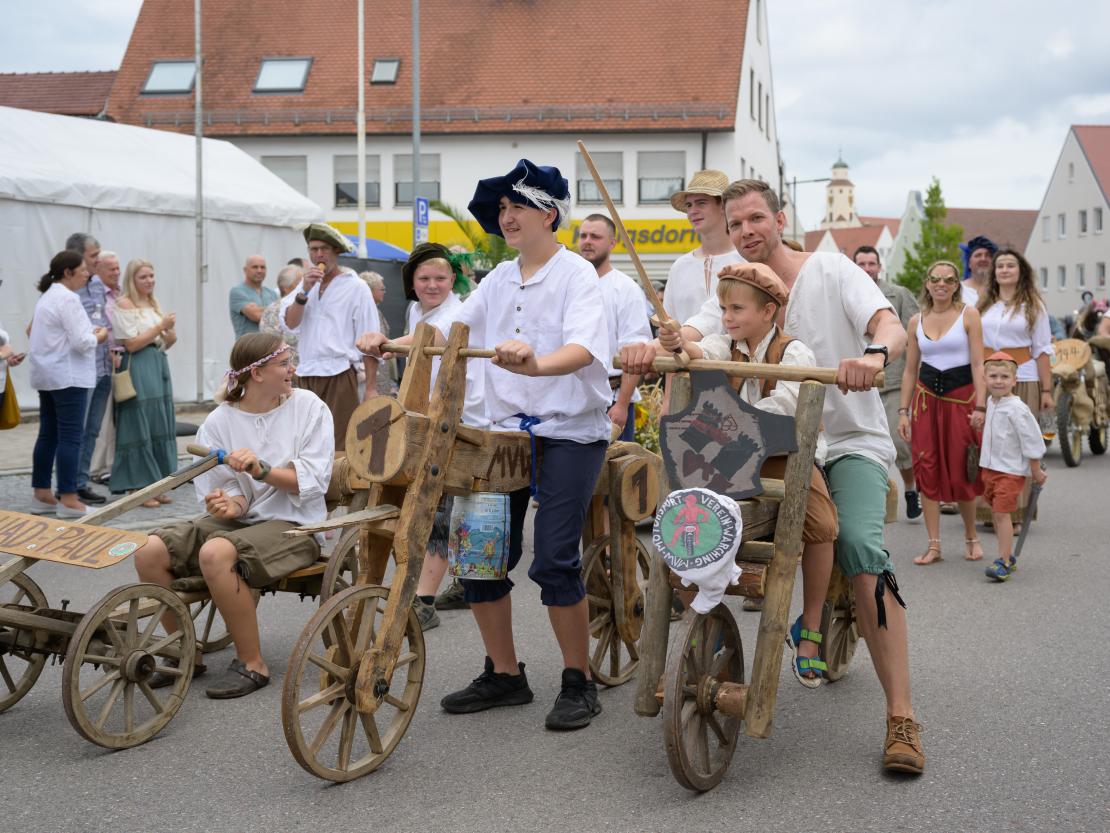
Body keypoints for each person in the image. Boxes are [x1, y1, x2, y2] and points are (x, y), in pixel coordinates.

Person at [622, 178, 924, 774]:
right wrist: (653, 343)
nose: (745, 232)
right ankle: (702, 621)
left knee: (863, 548)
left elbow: (890, 325)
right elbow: (693, 334)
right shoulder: (737, 284)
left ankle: (901, 715)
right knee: (701, 514)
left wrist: (873, 357)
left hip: (848, 438)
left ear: (780, 218)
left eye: (755, 218)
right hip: (769, 448)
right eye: (735, 224)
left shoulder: (832, 271)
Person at [357, 159, 612, 731]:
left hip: (569, 434)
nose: (505, 216)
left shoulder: (577, 276)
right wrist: (391, 344)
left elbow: (586, 348)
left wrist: (538, 363)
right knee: (478, 559)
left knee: (553, 560)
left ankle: (578, 680)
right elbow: (449, 330)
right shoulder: (498, 279)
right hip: (502, 437)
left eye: (514, 206)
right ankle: (505, 674)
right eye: (501, 209)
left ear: (548, 213)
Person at [644, 263, 839, 687]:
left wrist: (730, 421)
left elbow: (788, 410)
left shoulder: (794, 353)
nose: (728, 317)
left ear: (769, 311)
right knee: (681, 520)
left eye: (737, 308)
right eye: (723, 308)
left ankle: (810, 629)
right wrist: (677, 343)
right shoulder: (721, 343)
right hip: (728, 454)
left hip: (785, 454)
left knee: (822, 526)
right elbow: (696, 354)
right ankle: (704, 623)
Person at [134, 333, 333, 698]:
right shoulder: (219, 421)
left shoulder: (308, 407)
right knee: (148, 549)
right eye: (284, 363)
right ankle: (183, 653)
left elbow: (313, 482)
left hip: (296, 525)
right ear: (257, 373)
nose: (293, 370)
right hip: (243, 523)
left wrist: (261, 471)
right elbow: (230, 491)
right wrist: (230, 504)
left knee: (215, 552)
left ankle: (252, 663)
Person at [398, 244, 491, 629]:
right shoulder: (414, 309)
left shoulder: (458, 309)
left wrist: (380, 342)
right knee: (443, 505)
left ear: (453, 280)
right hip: (430, 416)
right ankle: (467, 581)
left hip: (463, 417)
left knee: (441, 508)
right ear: (413, 283)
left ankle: (423, 600)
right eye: (424, 278)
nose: (432, 285)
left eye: (440, 278)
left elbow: (435, 336)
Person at [897, 260, 987, 565]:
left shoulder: (968, 315)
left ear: (956, 285)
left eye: (948, 280)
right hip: (925, 403)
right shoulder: (915, 321)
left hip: (961, 401)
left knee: (963, 468)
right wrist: (902, 411)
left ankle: (971, 536)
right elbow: (910, 370)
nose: (941, 284)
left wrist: (982, 405)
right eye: (935, 279)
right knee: (927, 468)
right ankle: (934, 545)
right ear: (927, 283)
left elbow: (978, 364)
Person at [281, 223, 380, 451]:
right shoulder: (305, 286)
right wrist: (304, 291)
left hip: (340, 373)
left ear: (336, 251)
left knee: (339, 442)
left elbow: (370, 339)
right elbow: (290, 323)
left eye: (324, 249)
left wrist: (372, 387)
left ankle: (339, 486)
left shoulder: (357, 287)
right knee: (304, 440)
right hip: (306, 373)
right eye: (313, 249)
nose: (318, 255)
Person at [976, 248, 1054, 526]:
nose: (1005, 270)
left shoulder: (1033, 306)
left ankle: (1016, 511)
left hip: (1023, 377)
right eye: (1000, 266)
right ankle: (992, 507)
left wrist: (1046, 390)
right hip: (989, 379)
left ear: (1021, 271)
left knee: (1018, 443)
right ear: (994, 273)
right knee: (990, 442)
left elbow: (1043, 349)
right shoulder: (984, 305)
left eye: (1010, 265)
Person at [27, 250, 107, 518]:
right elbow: (81, 341)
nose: (87, 274)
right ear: (68, 272)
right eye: (83, 270)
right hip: (68, 376)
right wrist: (100, 335)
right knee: (71, 438)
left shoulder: (47, 297)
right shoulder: (68, 299)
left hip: (48, 375)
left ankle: (42, 493)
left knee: (48, 434)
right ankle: (69, 499)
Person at [854, 245, 921, 520]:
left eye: (872, 263)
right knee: (862, 443)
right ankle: (872, 497)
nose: (867, 269)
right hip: (858, 382)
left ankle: (910, 488)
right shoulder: (846, 294)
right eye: (862, 264)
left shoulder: (899, 295)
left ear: (879, 266)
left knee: (898, 441)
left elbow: (915, 335)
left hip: (893, 379)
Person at [577, 213, 652, 442]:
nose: (587, 241)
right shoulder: (572, 285)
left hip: (612, 400)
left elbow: (635, 350)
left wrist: (621, 404)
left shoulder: (626, 289)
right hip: (573, 400)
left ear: (612, 243)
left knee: (615, 474)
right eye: (583, 236)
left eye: (595, 236)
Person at [110, 259, 178, 506]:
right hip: (138, 365)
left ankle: (156, 484)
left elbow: (165, 341)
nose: (149, 281)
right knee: (138, 421)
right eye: (143, 277)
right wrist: (161, 326)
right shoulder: (124, 304)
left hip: (157, 363)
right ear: (132, 279)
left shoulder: (152, 303)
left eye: (151, 276)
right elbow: (131, 343)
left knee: (158, 422)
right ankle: (137, 488)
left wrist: (169, 333)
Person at [978, 352, 1047, 581]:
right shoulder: (991, 402)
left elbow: (1031, 439)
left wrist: (1035, 469)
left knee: (1001, 514)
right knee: (997, 514)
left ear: (1014, 381)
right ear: (985, 379)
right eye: (994, 376)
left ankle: (1004, 562)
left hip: (1008, 471)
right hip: (990, 468)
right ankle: (1005, 553)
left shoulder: (1017, 409)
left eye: (1004, 376)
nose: (998, 381)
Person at [662, 170, 743, 328]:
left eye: (701, 203)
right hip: (686, 352)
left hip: (738, 353)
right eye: (689, 205)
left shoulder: (745, 260)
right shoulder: (679, 266)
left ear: (723, 206)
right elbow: (669, 322)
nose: (692, 211)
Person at [68, 234, 112, 505]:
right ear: (78, 256)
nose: (99, 259)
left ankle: (81, 481)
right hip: (80, 370)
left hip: (103, 365)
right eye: (94, 255)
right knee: (77, 430)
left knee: (93, 429)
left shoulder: (96, 284)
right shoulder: (68, 288)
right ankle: (69, 484)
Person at [87, 251, 124, 486]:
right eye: (111, 268)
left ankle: (112, 464)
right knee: (104, 419)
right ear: (98, 270)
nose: (116, 272)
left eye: (118, 268)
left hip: (123, 359)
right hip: (105, 361)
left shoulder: (120, 293)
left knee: (117, 417)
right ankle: (98, 468)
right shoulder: (97, 294)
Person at [360, 271, 399, 397]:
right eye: (382, 289)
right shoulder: (364, 312)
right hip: (369, 375)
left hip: (381, 373)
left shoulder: (376, 310)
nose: (384, 292)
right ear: (369, 291)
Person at [259, 264, 302, 365]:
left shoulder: (306, 307)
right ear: (286, 288)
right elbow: (270, 346)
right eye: (300, 283)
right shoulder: (273, 311)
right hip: (288, 372)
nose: (304, 286)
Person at [229, 255, 277, 339]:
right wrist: (273, 309)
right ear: (245, 270)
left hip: (269, 348)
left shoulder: (271, 293)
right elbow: (256, 316)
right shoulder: (237, 291)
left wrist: (258, 308)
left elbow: (280, 317)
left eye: (263, 267)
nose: (259, 270)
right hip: (247, 348)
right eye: (255, 267)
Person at [960, 235, 997, 306]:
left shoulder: (1001, 290)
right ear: (969, 263)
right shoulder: (957, 290)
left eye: (988, 255)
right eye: (978, 255)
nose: (983, 259)